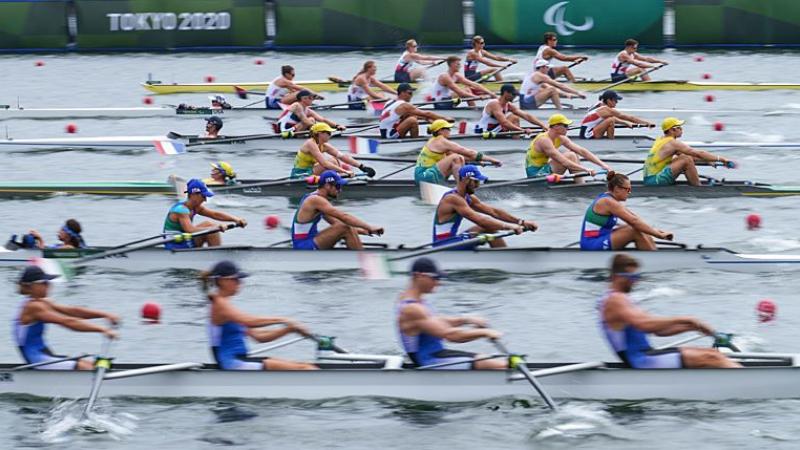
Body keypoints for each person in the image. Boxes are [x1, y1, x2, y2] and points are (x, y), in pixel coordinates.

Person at [599, 254, 741, 368]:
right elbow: (644, 325)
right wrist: (685, 319)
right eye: (632, 277)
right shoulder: (615, 300)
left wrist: (692, 327)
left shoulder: (625, 301)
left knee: (712, 353)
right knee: (713, 358)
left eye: (638, 277)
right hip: (641, 361)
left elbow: (659, 331)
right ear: (617, 276)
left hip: (648, 355)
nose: (636, 281)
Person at [397, 257, 507, 369]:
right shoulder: (412, 308)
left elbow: (438, 320)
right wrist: (484, 332)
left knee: (493, 360)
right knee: (495, 364)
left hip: (438, 354)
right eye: (435, 278)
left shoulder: (413, 300)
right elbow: (451, 335)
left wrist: (467, 319)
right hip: (430, 361)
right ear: (418, 276)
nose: (438, 283)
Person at [205, 260, 317, 370]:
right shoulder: (219, 303)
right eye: (235, 279)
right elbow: (249, 321)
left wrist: (289, 329)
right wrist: (283, 320)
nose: (240, 283)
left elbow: (259, 337)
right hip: (232, 364)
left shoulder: (227, 307)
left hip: (240, 360)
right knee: (306, 369)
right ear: (221, 281)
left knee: (305, 365)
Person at [14, 266, 119, 370]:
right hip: (38, 360)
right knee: (87, 368)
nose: (49, 285)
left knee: (95, 365)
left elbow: (73, 311)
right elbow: (67, 322)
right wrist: (102, 329)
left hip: (45, 355)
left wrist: (105, 315)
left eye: (49, 282)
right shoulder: (33, 307)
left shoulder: (41, 302)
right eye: (44, 283)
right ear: (31, 287)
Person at [433, 165, 536, 248]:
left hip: (453, 239)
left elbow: (494, 212)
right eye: (476, 181)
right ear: (466, 180)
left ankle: (502, 255)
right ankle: (504, 259)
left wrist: (521, 222)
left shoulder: (468, 197)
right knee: (486, 226)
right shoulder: (452, 199)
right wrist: (509, 226)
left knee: (487, 228)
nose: (478, 185)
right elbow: (480, 220)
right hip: (443, 245)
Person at [291, 170, 384, 250]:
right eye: (338, 186)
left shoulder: (316, 199)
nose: (340, 190)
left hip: (310, 241)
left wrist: (364, 231)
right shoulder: (315, 200)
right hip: (303, 246)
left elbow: (336, 222)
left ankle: (359, 255)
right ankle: (363, 260)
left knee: (345, 226)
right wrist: (369, 227)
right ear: (327, 186)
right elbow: (344, 217)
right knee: (344, 227)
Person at [580, 172, 673, 251]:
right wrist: (658, 235)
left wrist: (654, 231)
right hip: (591, 244)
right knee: (633, 230)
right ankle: (655, 260)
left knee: (637, 228)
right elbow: (634, 221)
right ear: (617, 189)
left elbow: (634, 217)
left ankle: (654, 254)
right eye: (628, 189)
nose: (629, 192)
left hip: (600, 237)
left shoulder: (610, 199)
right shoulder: (607, 202)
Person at [644, 118, 734, 186]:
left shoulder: (660, 139)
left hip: (649, 179)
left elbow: (688, 155)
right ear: (672, 130)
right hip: (655, 181)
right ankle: (698, 188)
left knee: (684, 157)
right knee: (686, 159)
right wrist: (721, 159)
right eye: (679, 127)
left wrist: (707, 160)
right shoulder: (672, 143)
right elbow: (698, 153)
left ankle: (696, 184)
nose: (682, 130)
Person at [163, 179, 247, 250]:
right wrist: (215, 228)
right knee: (211, 228)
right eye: (203, 196)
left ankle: (214, 256)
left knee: (208, 224)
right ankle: (215, 258)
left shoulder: (195, 207)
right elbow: (190, 230)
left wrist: (236, 219)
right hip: (175, 245)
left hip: (185, 240)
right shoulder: (181, 210)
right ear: (193, 195)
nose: (205, 200)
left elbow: (215, 214)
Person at [415, 120, 502, 185]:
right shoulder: (441, 141)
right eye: (448, 128)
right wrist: (492, 160)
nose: (450, 130)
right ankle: (462, 187)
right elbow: (468, 152)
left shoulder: (436, 142)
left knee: (458, 158)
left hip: (426, 176)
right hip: (425, 176)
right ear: (440, 130)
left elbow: (465, 156)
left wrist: (477, 161)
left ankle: (465, 183)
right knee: (456, 158)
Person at [525, 114, 611, 180]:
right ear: (556, 126)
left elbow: (581, 151)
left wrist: (603, 165)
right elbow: (564, 162)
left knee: (573, 153)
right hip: (536, 174)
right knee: (570, 156)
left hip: (544, 169)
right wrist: (586, 170)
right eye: (565, 126)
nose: (568, 128)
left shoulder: (560, 137)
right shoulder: (544, 140)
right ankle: (580, 187)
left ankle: (580, 184)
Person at [289, 123, 375, 179]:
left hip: (311, 171)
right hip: (300, 174)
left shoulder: (325, 146)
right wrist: (344, 171)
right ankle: (340, 178)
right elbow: (324, 164)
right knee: (330, 161)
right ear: (319, 133)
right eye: (328, 133)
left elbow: (342, 156)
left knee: (335, 159)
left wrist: (362, 167)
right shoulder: (310, 144)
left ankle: (339, 178)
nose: (330, 135)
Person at [379, 83, 452, 139]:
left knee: (413, 116)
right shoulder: (404, 105)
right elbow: (427, 113)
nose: (411, 95)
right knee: (412, 120)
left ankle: (434, 128)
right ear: (402, 93)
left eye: (412, 93)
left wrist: (427, 119)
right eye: (409, 93)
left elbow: (417, 115)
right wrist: (445, 119)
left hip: (386, 132)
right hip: (389, 135)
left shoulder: (390, 101)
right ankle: (415, 141)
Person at [473, 84, 548, 134]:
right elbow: (504, 123)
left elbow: (526, 116)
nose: (514, 97)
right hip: (484, 132)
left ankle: (516, 139)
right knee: (513, 117)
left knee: (515, 117)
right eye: (513, 94)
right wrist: (522, 131)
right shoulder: (495, 104)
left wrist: (542, 125)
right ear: (506, 93)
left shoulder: (508, 105)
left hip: (495, 130)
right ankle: (516, 140)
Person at [579, 90, 655, 139]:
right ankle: (611, 142)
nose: (617, 102)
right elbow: (629, 117)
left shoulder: (599, 104)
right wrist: (647, 123)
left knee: (610, 119)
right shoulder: (606, 110)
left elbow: (618, 119)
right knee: (610, 120)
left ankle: (610, 140)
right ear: (609, 100)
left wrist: (625, 123)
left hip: (586, 132)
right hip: (587, 135)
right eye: (615, 100)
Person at [428, 56, 496, 109]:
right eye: (458, 64)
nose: (460, 66)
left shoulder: (456, 75)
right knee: (465, 90)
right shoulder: (445, 77)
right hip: (440, 103)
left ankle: (473, 109)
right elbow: (460, 92)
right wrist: (478, 97)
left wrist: (490, 93)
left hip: (448, 100)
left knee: (467, 88)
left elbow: (474, 84)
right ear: (451, 64)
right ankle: (474, 111)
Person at [520, 60, 586, 109]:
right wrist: (578, 92)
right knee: (552, 90)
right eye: (547, 67)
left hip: (523, 103)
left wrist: (574, 96)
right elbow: (560, 86)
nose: (549, 70)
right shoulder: (540, 76)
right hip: (526, 103)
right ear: (542, 67)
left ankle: (559, 109)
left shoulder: (532, 75)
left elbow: (556, 90)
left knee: (546, 89)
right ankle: (560, 111)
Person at [273, 90, 345, 134]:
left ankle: (308, 137)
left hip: (293, 129)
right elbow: (305, 121)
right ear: (303, 99)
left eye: (312, 98)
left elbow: (322, 119)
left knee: (313, 120)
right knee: (310, 120)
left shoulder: (307, 110)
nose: (312, 100)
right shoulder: (296, 105)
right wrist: (324, 129)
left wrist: (337, 126)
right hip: (284, 130)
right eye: (310, 98)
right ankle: (305, 139)